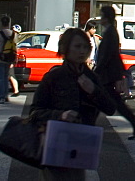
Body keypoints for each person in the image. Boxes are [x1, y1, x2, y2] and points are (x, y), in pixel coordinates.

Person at [29, 28, 116, 180]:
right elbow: (35, 112)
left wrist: (93, 90)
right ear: (65, 48)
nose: (82, 51)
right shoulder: (54, 77)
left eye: (85, 47)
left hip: (81, 144)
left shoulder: (92, 78)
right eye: (77, 46)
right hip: (55, 142)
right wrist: (60, 115)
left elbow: (110, 108)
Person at [94, 5, 135, 140]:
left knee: (101, 100)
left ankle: (87, 127)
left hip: (107, 75)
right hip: (109, 74)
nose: (100, 19)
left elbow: (107, 55)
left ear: (106, 17)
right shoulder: (110, 32)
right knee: (112, 102)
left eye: (102, 16)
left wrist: (96, 72)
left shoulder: (110, 33)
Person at [0, 16, 16, 103]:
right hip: (9, 58)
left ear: (1, 23)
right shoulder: (13, 34)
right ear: (9, 23)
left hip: (0, 58)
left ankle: (0, 97)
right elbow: (15, 47)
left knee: (0, 78)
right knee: (6, 77)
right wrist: (15, 59)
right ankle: (5, 96)